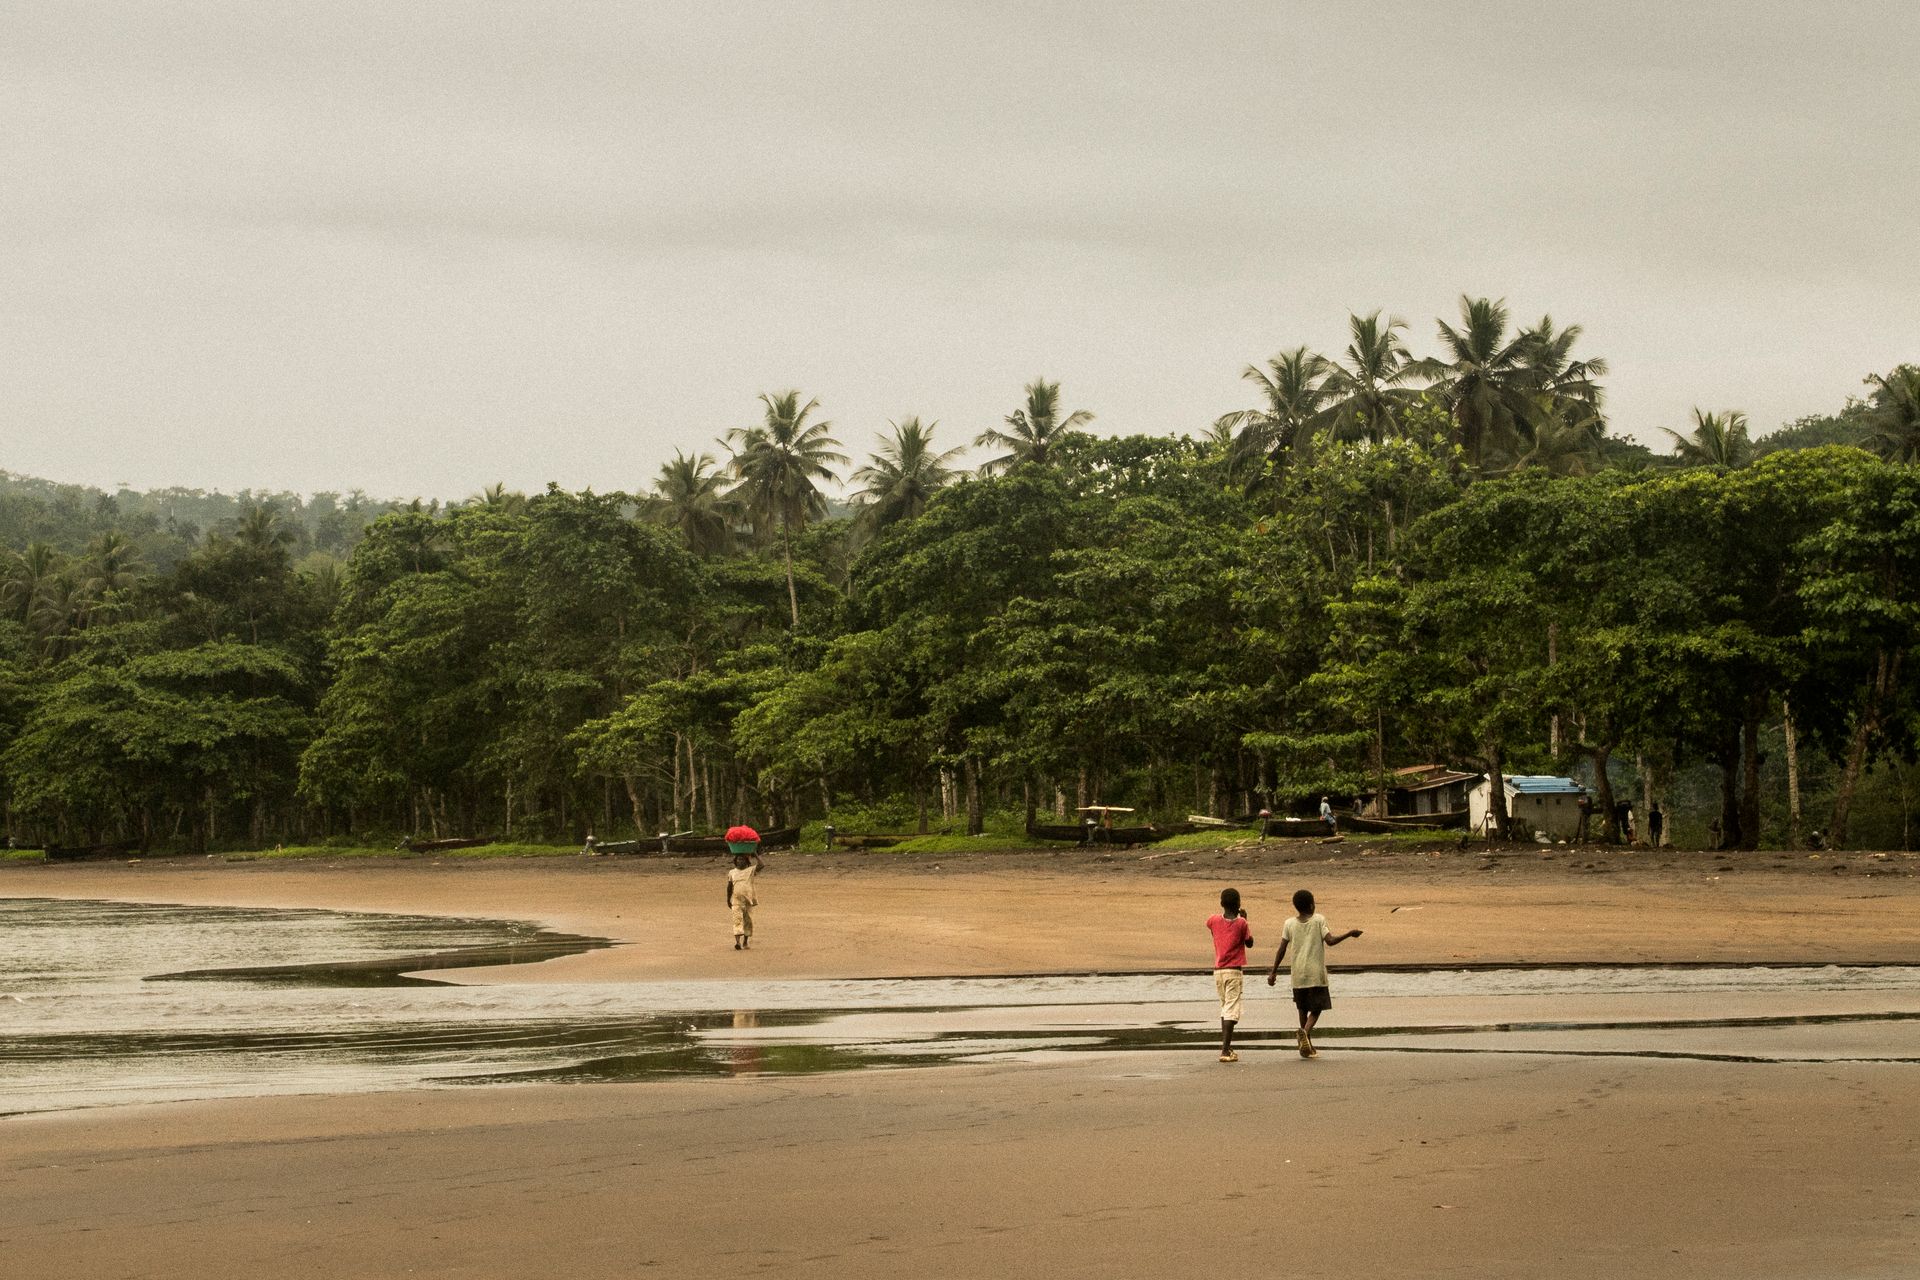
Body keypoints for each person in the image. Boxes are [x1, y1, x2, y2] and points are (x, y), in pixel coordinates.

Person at [1265, 889, 1362, 1058]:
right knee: (1317, 1008)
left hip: (1297, 974)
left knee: (1302, 1009)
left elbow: (1281, 949)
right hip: (1315, 973)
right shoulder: (1319, 920)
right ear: (1311, 904)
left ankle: (1307, 1046)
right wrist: (1350, 934)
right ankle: (1305, 1032)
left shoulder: (1289, 923)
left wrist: (1273, 972)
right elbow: (1330, 941)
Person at [1205, 888, 1254, 1063]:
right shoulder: (1242, 924)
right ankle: (1225, 1050)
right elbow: (1249, 943)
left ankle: (1227, 1047)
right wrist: (1245, 919)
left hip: (1218, 971)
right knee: (1231, 1009)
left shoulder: (1213, 920)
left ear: (1221, 903)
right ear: (1239, 904)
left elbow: (1214, 931)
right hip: (1234, 970)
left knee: (1225, 1007)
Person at [725, 827, 764, 950]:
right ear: (735, 862)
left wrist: (755, 853)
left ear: (747, 861)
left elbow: (762, 865)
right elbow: (729, 887)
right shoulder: (732, 872)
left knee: (748, 921)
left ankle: (745, 941)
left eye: (742, 859)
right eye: (738, 859)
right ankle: (737, 942)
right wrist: (727, 899)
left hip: (748, 901)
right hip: (736, 900)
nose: (740, 861)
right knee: (737, 920)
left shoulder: (750, 871)